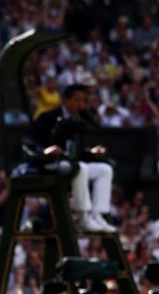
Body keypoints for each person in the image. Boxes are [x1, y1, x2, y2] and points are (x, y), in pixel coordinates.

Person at [26, 84, 116, 233]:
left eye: (82, 101)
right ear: (65, 100)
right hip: (49, 164)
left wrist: (92, 152)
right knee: (80, 168)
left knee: (104, 170)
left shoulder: (79, 120)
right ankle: (82, 217)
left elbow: (77, 152)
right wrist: (46, 150)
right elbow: (30, 142)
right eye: (76, 100)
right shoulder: (48, 117)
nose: (80, 104)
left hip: (71, 164)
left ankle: (98, 215)